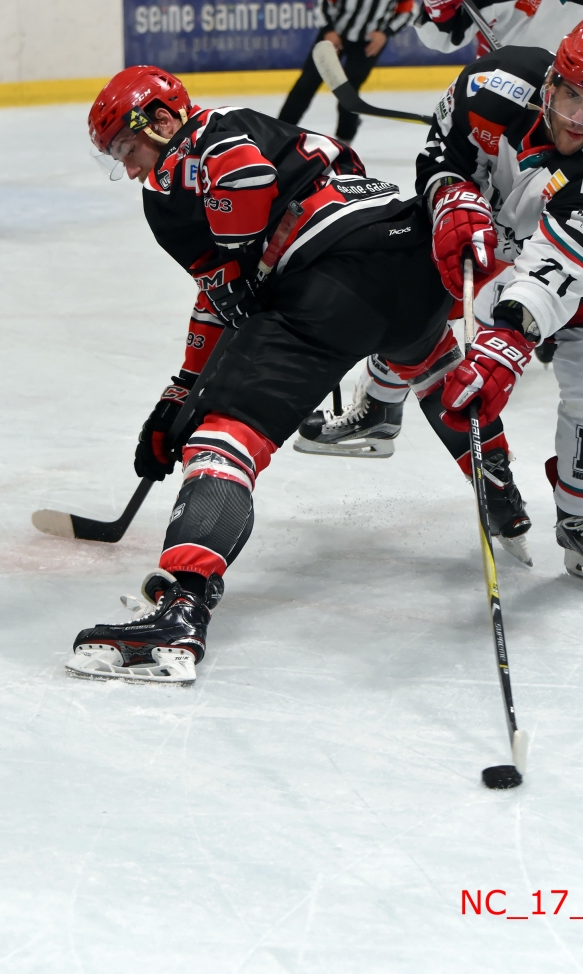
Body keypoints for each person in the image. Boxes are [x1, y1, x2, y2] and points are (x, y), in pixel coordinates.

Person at [65, 65, 531, 681]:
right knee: (436, 365)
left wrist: (202, 392)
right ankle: (501, 494)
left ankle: (180, 608)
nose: (129, 169)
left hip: (331, 280)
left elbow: (245, 200)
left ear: (161, 118)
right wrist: (180, 391)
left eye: (129, 150)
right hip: (411, 257)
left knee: (225, 440)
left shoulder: (200, 149)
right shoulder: (265, 128)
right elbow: (226, 290)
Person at [322, 0, 583, 468]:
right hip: (501, 140)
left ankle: (571, 333)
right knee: (430, 279)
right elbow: (436, 35)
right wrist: (437, 4)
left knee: (578, 271)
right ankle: (381, 402)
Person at [414, 15, 583, 592]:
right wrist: (450, 195)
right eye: (571, 96)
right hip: (488, 233)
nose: (577, 118)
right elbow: (438, 156)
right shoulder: (489, 85)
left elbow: (556, 272)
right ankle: (383, 394)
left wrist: (509, 341)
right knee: (404, 308)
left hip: (568, 261)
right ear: (551, 82)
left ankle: (582, 520)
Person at [278, 0, 414, 144]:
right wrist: (329, 30)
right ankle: (279, 131)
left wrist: (385, 34)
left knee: (348, 94)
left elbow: (406, 11)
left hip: (368, 42)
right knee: (307, 83)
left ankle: (344, 140)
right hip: (334, 36)